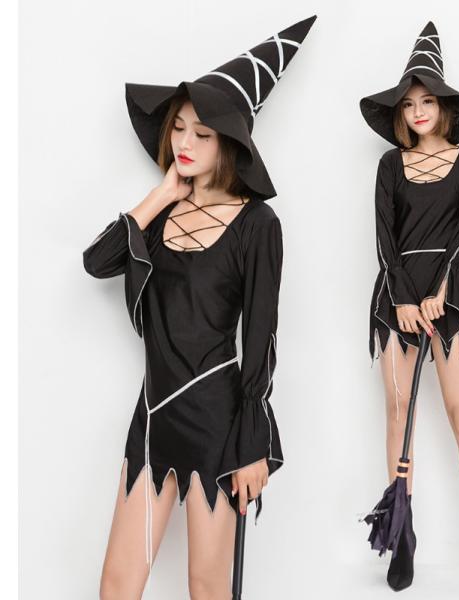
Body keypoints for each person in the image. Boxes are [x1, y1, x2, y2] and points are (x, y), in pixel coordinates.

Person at [82, 16, 316, 599]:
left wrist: (253, 440)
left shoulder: (258, 225)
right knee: (117, 584)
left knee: (208, 588)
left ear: (229, 142)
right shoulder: (161, 212)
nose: (184, 143)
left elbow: (260, 336)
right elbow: (97, 262)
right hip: (153, 416)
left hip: (218, 420)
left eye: (202, 133)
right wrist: (162, 193)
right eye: (179, 128)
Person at [360, 21, 459, 596]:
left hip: (447, 296)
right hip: (396, 296)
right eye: (409, 103)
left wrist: (440, 287)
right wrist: (400, 296)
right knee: (399, 414)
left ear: (443, 106)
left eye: (427, 101)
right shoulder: (390, 166)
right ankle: (402, 538)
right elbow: (384, 239)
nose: (418, 111)